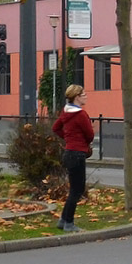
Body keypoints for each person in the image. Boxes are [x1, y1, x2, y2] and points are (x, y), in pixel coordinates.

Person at [52, 84, 94, 232]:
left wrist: (68, 139)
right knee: (77, 190)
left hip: (69, 151)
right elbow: (90, 134)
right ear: (77, 97)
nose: (86, 96)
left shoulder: (65, 112)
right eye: (84, 94)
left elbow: (56, 128)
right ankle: (68, 222)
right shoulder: (81, 114)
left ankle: (63, 220)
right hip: (78, 153)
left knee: (74, 189)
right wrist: (84, 144)